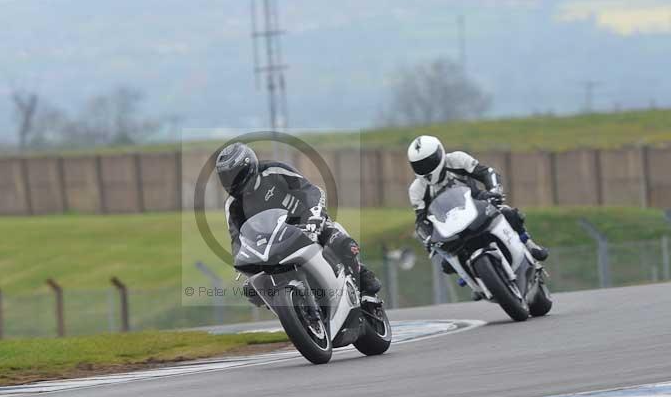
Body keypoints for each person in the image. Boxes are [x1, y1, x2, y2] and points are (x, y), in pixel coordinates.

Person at [216, 142, 382, 304]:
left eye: (235, 175)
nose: (232, 182)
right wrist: (243, 267)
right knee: (254, 289)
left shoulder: (274, 171)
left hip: (305, 221)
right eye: (226, 178)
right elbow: (237, 238)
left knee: (335, 239)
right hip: (272, 242)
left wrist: (314, 215)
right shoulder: (232, 205)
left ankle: (363, 278)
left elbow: (310, 190)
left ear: (249, 166)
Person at [407, 135, 549, 264]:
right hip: (449, 225)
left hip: (478, 204)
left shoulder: (457, 159)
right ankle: (479, 289)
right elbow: (421, 220)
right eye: (419, 165)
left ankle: (530, 245)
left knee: (509, 213)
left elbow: (487, 173)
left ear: (440, 153)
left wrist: (495, 191)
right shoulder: (416, 190)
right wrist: (428, 238)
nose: (426, 168)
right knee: (447, 265)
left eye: (429, 162)